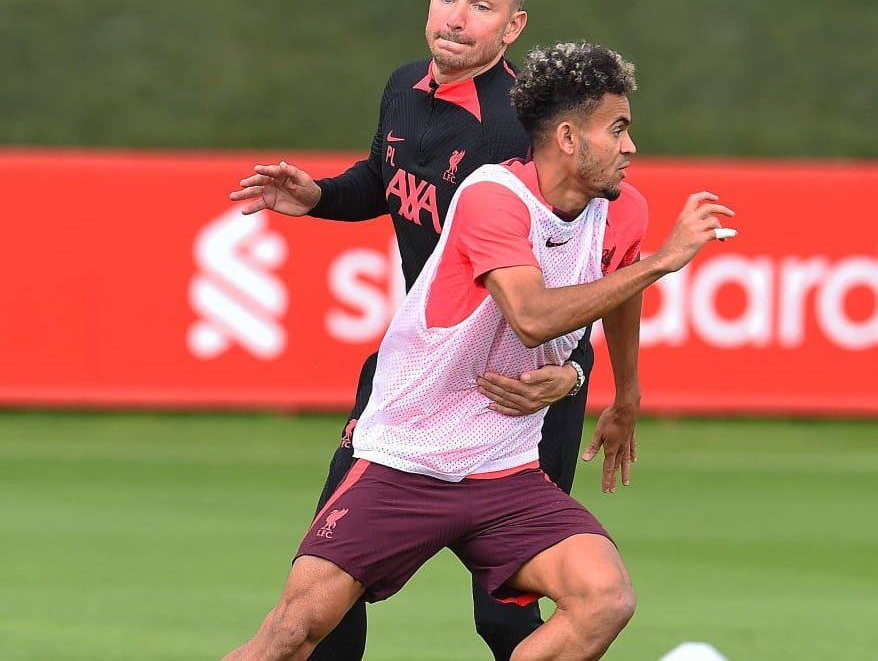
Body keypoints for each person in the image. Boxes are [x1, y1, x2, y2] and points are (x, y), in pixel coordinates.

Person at [219, 40, 736, 661]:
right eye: (618, 129)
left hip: (503, 467)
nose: (631, 146)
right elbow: (531, 317)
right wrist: (666, 261)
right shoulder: (492, 196)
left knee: (604, 598)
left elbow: (621, 291)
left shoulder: (623, 210)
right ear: (569, 139)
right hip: (406, 457)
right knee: (291, 635)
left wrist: (625, 395)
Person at [230, 0, 640, 660]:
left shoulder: (522, 133)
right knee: (323, 603)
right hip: (419, 380)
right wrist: (322, 194)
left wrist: (579, 375)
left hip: (518, 391)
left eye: (481, 5)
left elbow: (582, 260)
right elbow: (387, 180)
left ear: (512, 27)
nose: (456, 17)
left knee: (509, 613)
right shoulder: (404, 87)